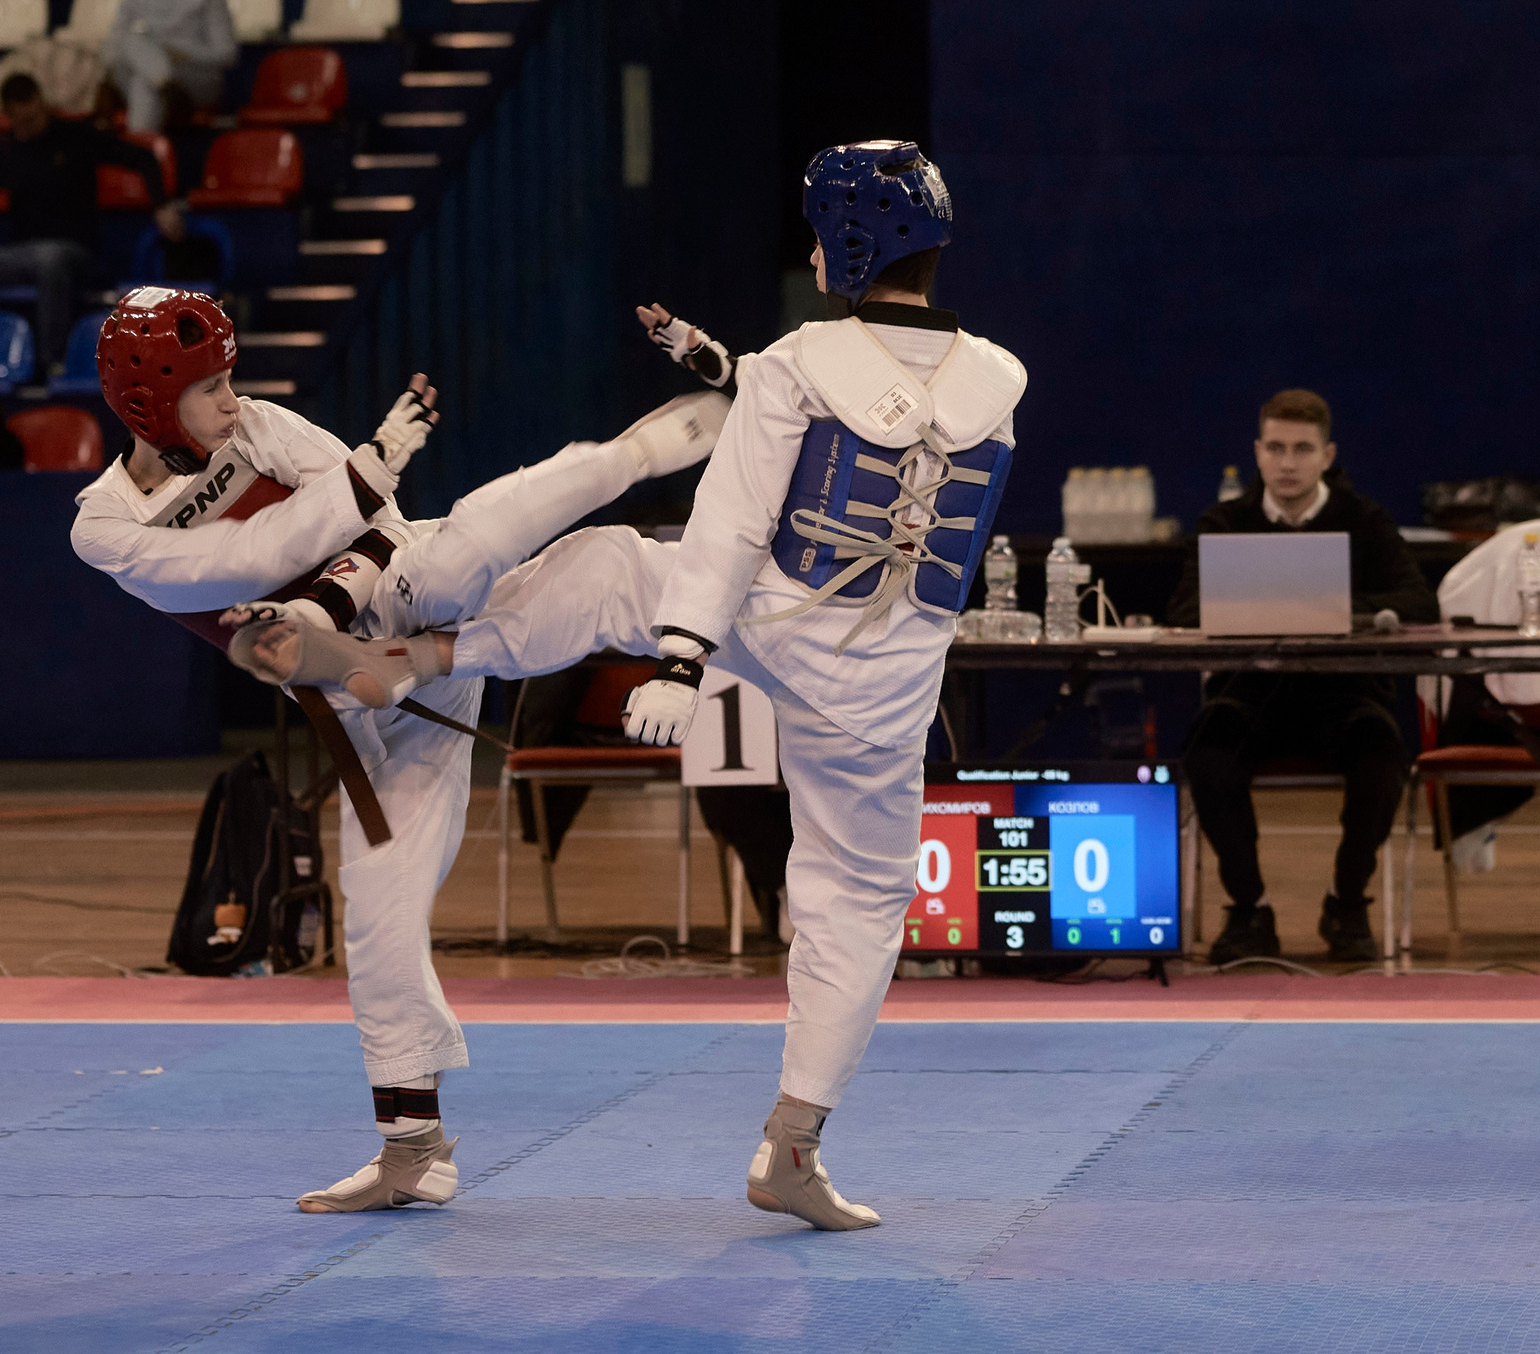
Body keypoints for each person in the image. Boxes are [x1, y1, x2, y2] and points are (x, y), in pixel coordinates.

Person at [260, 143, 1022, 1233]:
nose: (808, 249)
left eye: (817, 232)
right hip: (895, 669)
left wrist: (678, 656)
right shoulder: (994, 376)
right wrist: (722, 362)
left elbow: (733, 519)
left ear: (851, 244)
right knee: (861, 898)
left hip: (781, 618)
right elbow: (891, 411)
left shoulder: (801, 360)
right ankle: (793, 1144)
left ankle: (421, 657)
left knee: (615, 563)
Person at [70, 287, 728, 1217]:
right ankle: (413, 1149)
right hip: (352, 692)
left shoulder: (258, 426)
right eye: (210, 388)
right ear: (146, 404)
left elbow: (376, 527)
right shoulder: (105, 527)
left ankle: (630, 459)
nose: (232, 400)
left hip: (399, 608)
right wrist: (361, 487)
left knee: (458, 558)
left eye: (230, 380)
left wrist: (338, 582)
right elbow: (238, 565)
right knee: (376, 912)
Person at [1163, 389, 1438, 965]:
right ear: (1258, 453)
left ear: (1326, 454)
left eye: (1303, 449)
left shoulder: (1364, 521)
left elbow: (1417, 601)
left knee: (1384, 759)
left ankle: (1346, 901)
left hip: (1344, 696)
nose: (1288, 462)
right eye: (1277, 448)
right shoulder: (1224, 522)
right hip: (1248, 696)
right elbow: (1184, 613)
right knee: (1208, 757)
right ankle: (1248, 909)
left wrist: (1339, 608)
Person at [0, 73, 186, 372]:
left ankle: (52, 362)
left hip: (74, 252)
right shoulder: (5, 150)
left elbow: (143, 157)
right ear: (10, 116)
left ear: (43, 104)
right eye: (23, 121)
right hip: (19, 254)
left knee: (49, 257)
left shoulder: (76, 135)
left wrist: (161, 205)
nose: (32, 125)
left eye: (36, 116)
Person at [101, 0, 237, 134]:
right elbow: (113, 47)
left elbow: (227, 53)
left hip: (193, 77)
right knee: (132, 43)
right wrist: (152, 57)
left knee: (143, 83)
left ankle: (141, 156)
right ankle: (164, 83)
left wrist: (181, 53)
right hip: (151, 75)